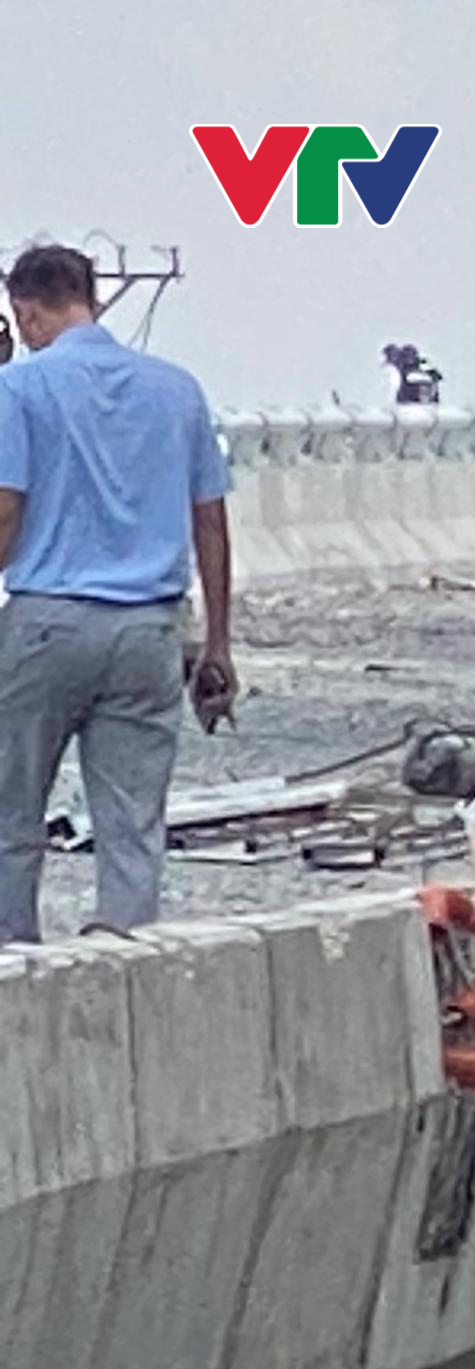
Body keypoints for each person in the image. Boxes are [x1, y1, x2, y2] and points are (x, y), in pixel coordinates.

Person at [0, 241, 234, 944]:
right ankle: (124, 955)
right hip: (149, 629)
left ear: (28, 311)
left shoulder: (18, 389)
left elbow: (7, 508)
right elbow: (211, 521)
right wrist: (217, 643)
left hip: (46, 621)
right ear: (93, 299)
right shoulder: (176, 388)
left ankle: (14, 963)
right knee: (132, 824)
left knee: (13, 815)